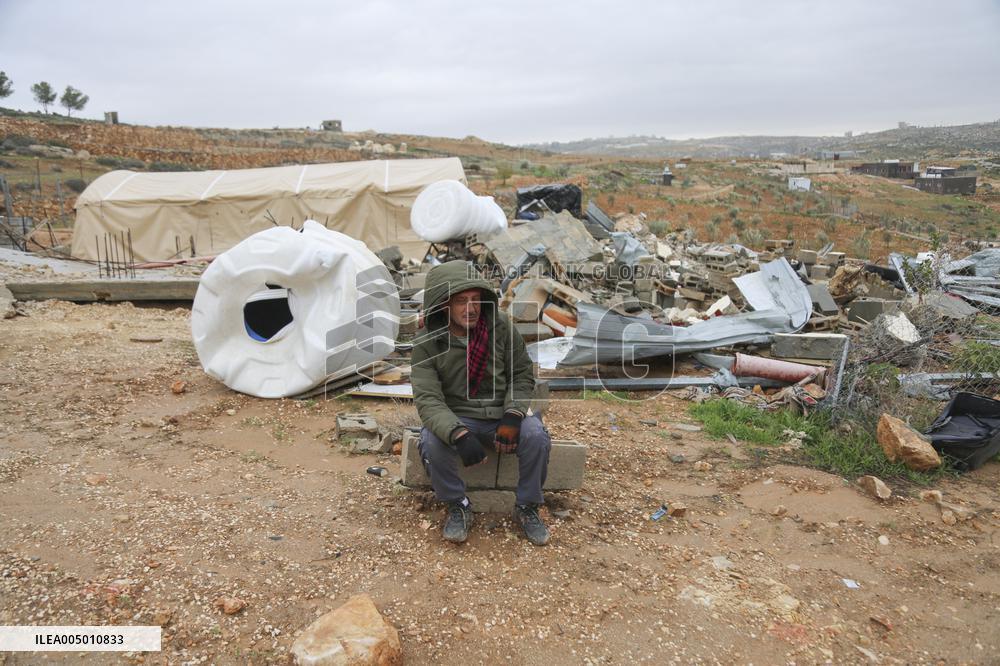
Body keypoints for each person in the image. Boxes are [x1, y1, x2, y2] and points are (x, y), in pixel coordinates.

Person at [411, 260, 551, 545]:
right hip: (459, 418)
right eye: (461, 301)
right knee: (431, 441)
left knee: (536, 436)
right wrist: (458, 433)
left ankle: (527, 506)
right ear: (444, 305)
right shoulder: (428, 342)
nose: (471, 308)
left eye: (475, 299)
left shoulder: (499, 327)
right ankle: (457, 505)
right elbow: (428, 399)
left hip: (501, 414)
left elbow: (521, 374)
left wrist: (513, 415)